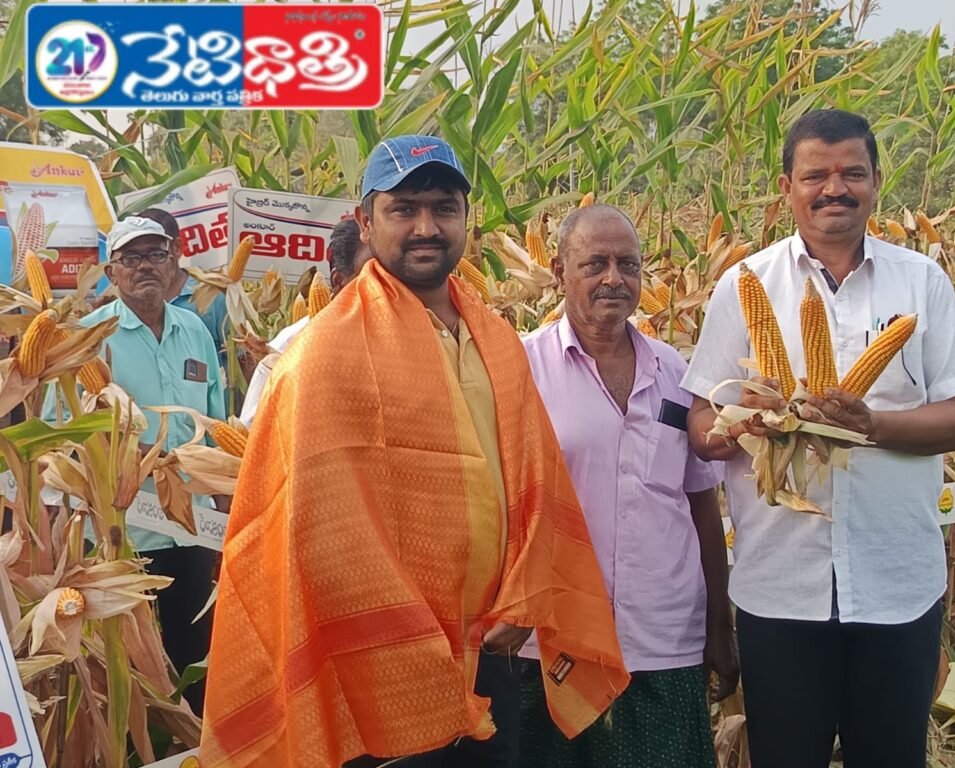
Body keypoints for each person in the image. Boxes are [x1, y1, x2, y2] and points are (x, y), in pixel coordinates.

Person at [199, 135, 629, 768]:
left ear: (465, 220)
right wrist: (410, 639)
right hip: (378, 670)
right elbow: (306, 528)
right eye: (404, 209)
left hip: (491, 648)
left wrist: (525, 590)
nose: (426, 226)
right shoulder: (321, 358)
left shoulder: (497, 340)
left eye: (443, 207)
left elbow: (537, 478)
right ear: (364, 223)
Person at [682, 109, 955, 768]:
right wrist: (753, 426)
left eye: (853, 173)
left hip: (897, 584)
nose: (835, 188)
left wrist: (872, 425)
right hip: (780, 585)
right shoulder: (745, 287)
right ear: (786, 187)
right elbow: (703, 428)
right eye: (816, 174)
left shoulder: (922, 282)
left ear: (877, 181)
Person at [519, 204, 735, 768]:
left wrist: (720, 625)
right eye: (594, 264)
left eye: (628, 265)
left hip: (662, 636)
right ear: (560, 271)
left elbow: (701, 506)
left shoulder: (676, 372)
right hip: (555, 638)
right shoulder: (520, 368)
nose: (613, 278)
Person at [48, 215, 226, 715]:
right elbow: (55, 430)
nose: (146, 266)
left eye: (156, 254)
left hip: (189, 525)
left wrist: (223, 513)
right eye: (132, 257)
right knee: (127, 656)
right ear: (113, 270)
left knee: (195, 649)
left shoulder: (194, 329)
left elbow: (214, 422)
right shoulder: (88, 336)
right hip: (121, 528)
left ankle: (193, 738)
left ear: (173, 263)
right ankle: (134, 739)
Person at [238, 217, 371, 427]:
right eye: (371, 275)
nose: (385, 286)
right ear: (338, 281)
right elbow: (251, 433)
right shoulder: (286, 348)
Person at [137, 207, 229, 364]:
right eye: (136, 255)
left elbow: (242, 362)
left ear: (177, 248)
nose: (144, 265)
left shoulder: (216, 299)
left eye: (155, 253)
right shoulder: (127, 304)